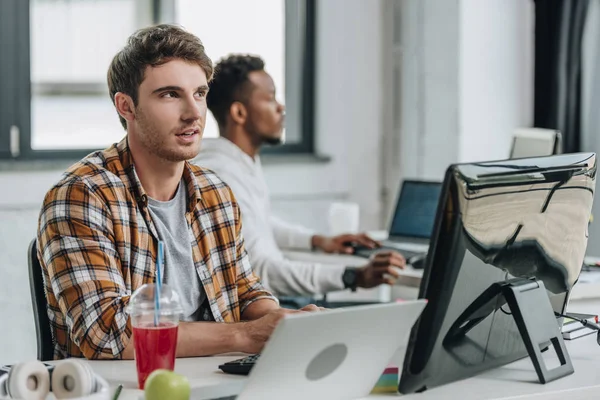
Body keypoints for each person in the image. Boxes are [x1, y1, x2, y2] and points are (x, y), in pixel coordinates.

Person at [36, 25, 315, 361]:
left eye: (199, 93)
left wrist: (283, 322)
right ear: (126, 106)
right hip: (128, 387)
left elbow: (243, 289)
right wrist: (246, 334)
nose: (194, 112)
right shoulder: (83, 195)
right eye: (170, 94)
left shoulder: (216, 193)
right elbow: (107, 335)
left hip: (216, 378)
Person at [198, 55, 406, 298]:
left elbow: (259, 224)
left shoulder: (240, 162)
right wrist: (353, 276)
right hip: (262, 307)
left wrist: (318, 241)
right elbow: (259, 273)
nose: (281, 107)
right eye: (270, 97)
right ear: (239, 113)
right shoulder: (222, 176)